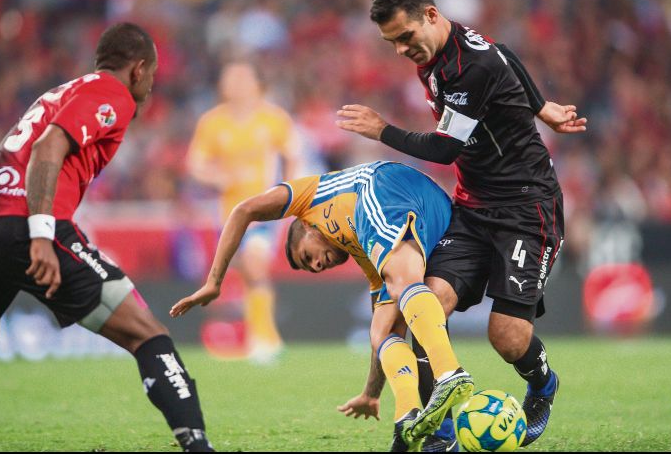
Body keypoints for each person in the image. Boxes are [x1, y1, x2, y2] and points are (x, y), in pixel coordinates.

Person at [336, 0, 587, 448]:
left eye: (405, 37)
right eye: (391, 43)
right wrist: (542, 106)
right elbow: (506, 52)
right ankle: (440, 434)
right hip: (472, 207)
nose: (400, 50)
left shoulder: (470, 66)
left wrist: (381, 130)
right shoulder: (446, 47)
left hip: (526, 207)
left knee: (508, 338)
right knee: (426, 304)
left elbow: (446, 148)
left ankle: (543, 384)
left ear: (430, 15)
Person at [0, 23, 214, 452]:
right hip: (27, 222)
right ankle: (198, 446)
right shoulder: (112, 93)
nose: (150, 85)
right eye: (153, 75)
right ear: (139, 69)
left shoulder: (65, 91)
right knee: (147, 334)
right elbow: (48, 147)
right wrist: (40, 235)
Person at [170, 161, 474, 452]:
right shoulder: (368, 252)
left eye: (307, 256)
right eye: (313, 268)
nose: (317, 265)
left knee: (401, 282)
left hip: (382, 185)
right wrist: (370, 394)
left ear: (306, 228)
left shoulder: (309, 198)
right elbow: (381, 335)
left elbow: (243, 210)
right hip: (437, 213)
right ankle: (406, 417)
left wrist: (214, 282)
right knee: (382, 330)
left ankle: (449, 372)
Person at [186, 62, 298, 363]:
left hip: (265, 208)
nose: (236, 84)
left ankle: (264, 340)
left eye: (242, 78)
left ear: (255, 83)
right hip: (229, 213)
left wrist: (289, 195)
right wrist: (217, 177)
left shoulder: (274, 119)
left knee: (254, 263)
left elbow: (292, 155)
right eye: (230, 78)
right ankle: (263, 336)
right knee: (248, 272)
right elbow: (196, 164)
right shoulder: (212, 122)